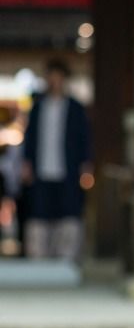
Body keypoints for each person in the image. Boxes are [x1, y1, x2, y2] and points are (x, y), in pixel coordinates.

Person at [21, 59, 92, 260]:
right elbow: (30, 137)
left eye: (58, 77)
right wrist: (26, 163)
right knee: (39, 213)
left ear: (64, 79)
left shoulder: (75, 107)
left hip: (68, 168)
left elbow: (84, 138)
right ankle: (38, 255)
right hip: (41, 167)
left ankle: (66, 256)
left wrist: (86, 164)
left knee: (69, 212)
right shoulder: (37, 107)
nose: (54, 81)